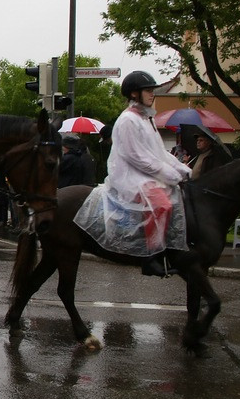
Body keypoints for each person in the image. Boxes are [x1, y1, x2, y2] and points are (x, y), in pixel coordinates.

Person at [74, 70, 191, 277]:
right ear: (134, 94)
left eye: (151, 90)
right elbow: (137, 157)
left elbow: (159, 153)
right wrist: (170, 175)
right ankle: (151, 257)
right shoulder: (128, 120)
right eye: (148, 90)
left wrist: (182, 169)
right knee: (161, 204)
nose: (152, 94)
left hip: (145, 173)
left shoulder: (147, 119)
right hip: (130, 175)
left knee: (180, 196)